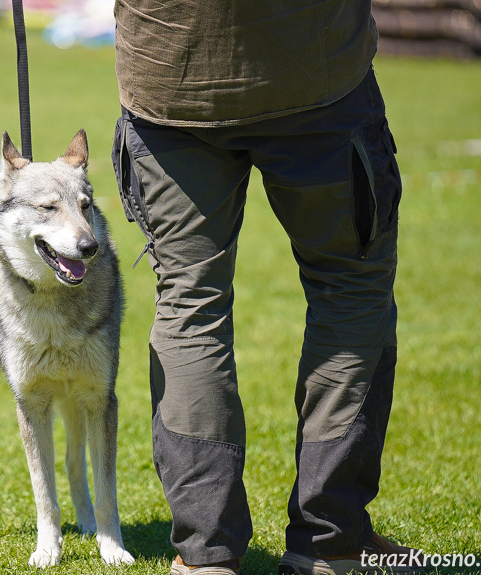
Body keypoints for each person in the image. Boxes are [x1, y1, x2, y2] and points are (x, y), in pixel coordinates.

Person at [111, 2, 421, 574]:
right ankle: (331, 545)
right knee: (349, 292)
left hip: (171, 75)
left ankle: (206, 557)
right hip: (314, 72)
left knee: (189, 301)